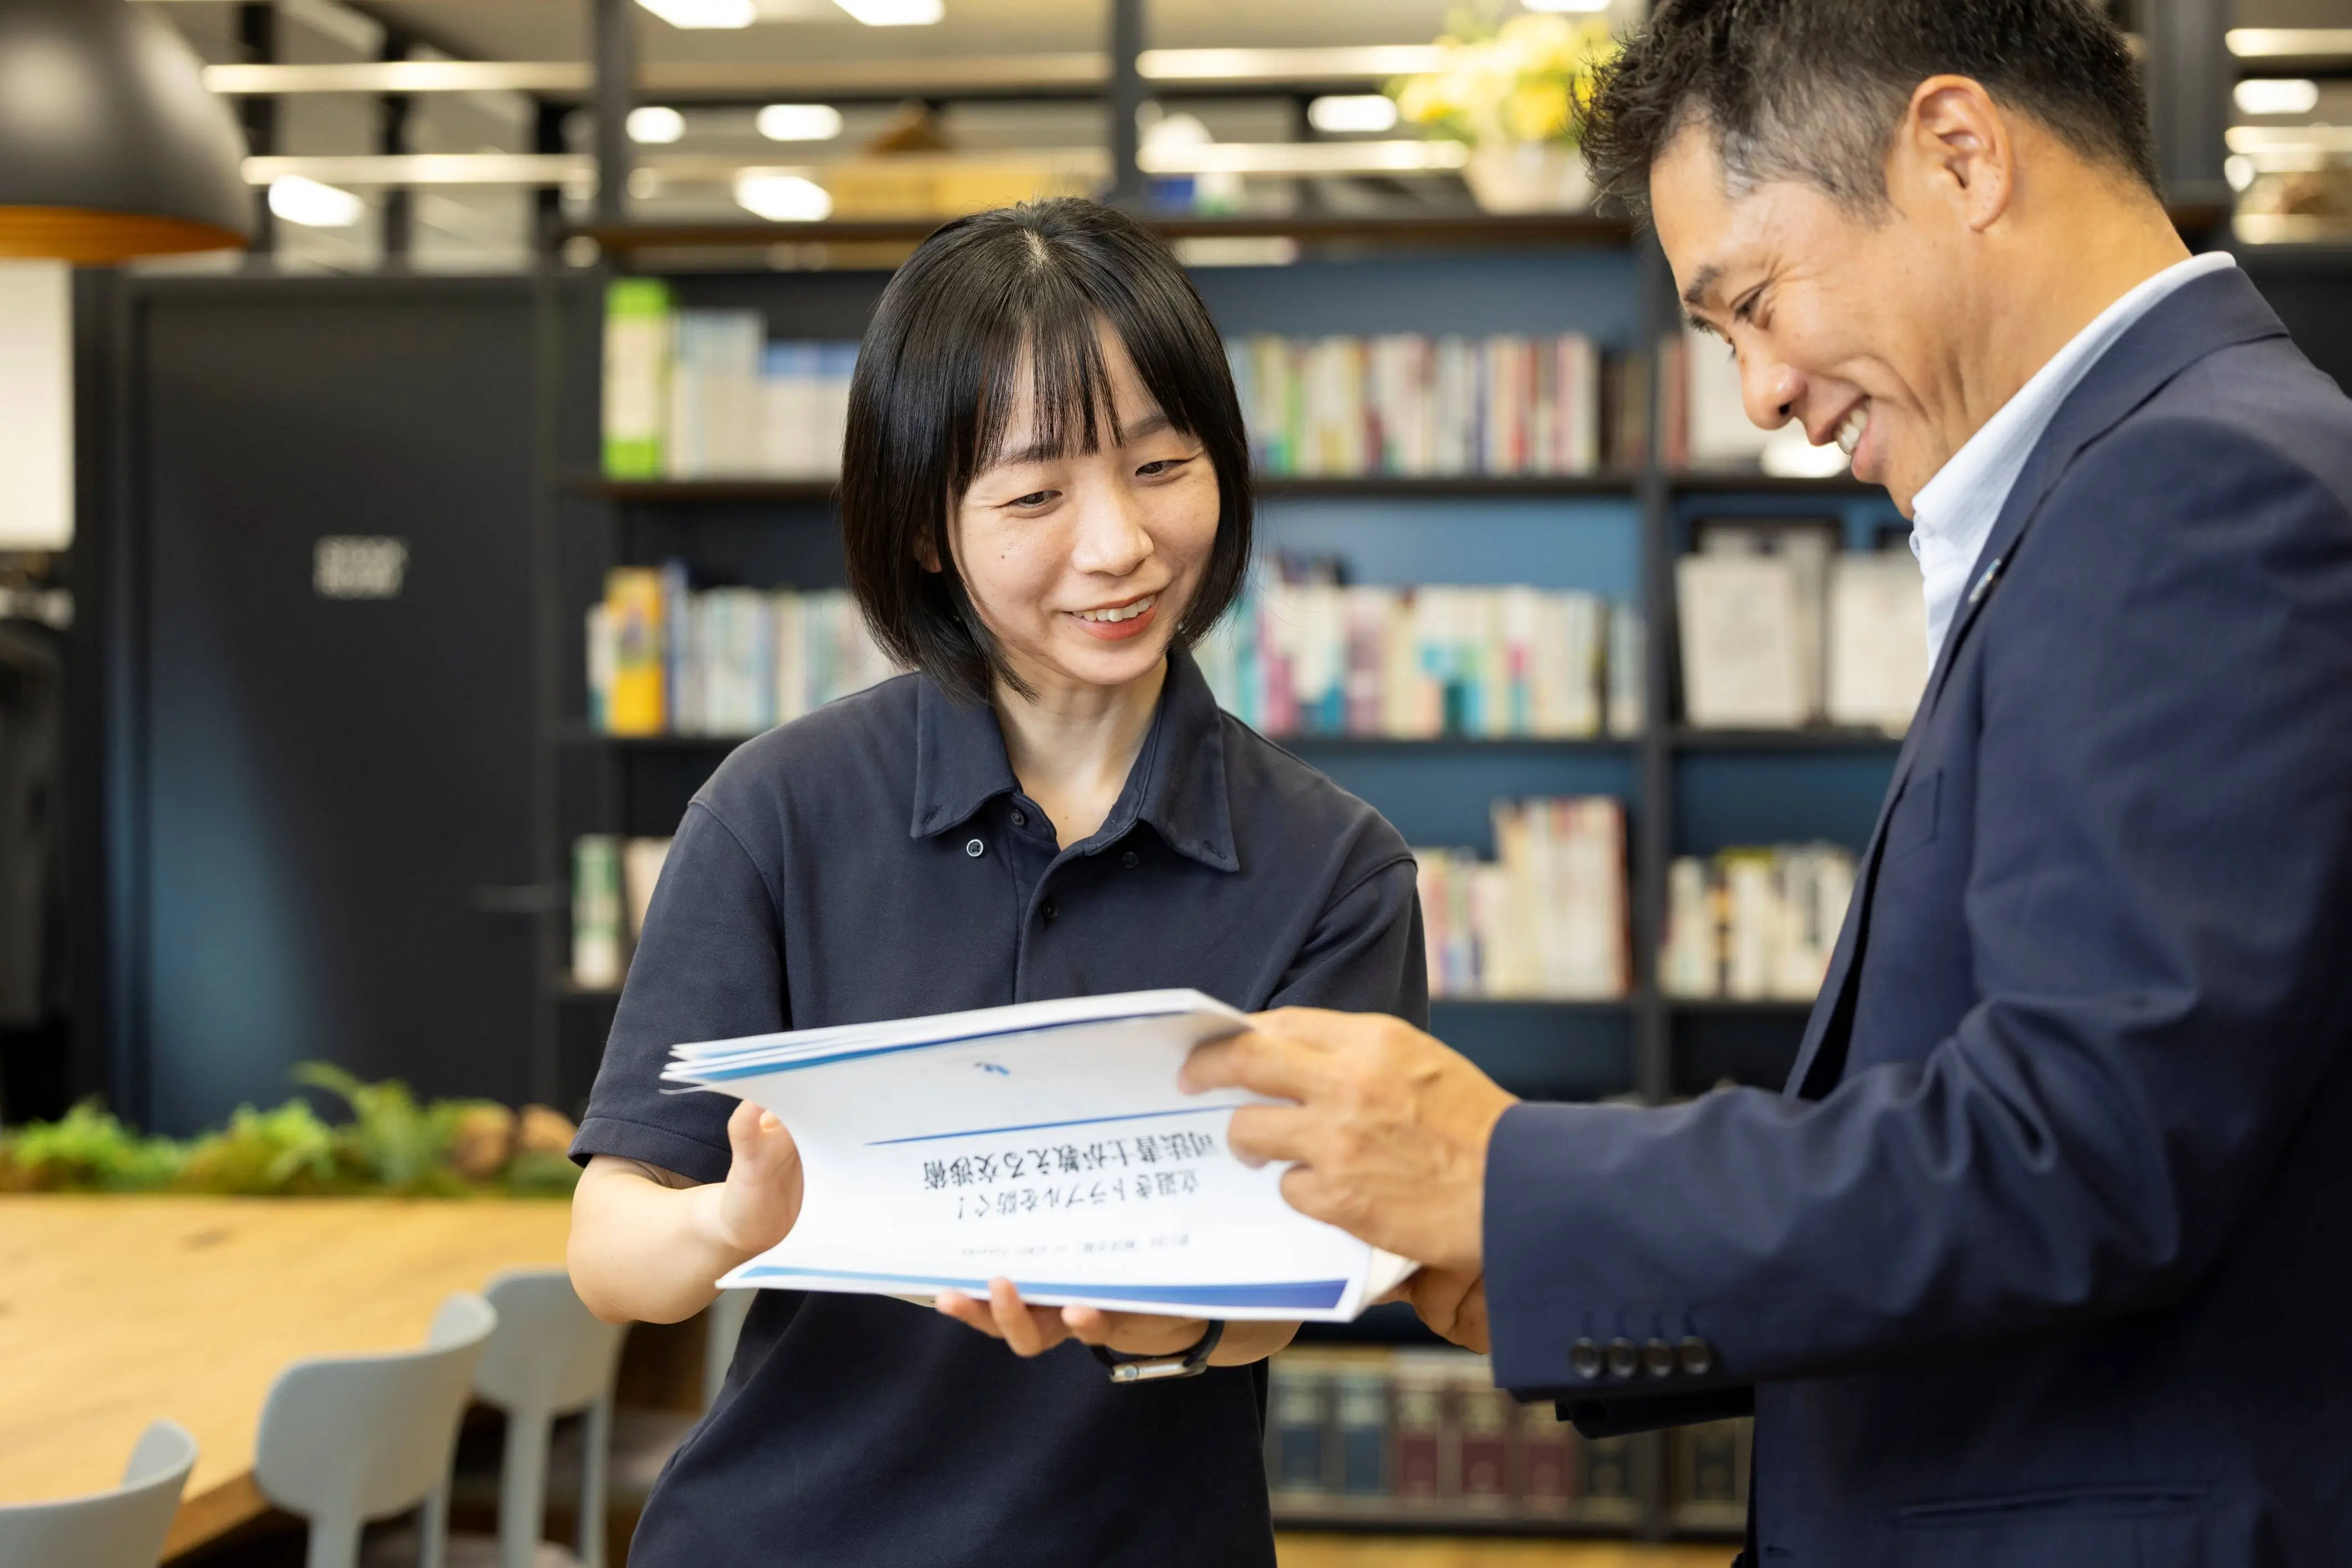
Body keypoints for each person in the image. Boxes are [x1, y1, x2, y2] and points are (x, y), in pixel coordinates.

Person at [1183, 1, 2352, 1562]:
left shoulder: (2192, 488)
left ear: (1956, 153)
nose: (1759, 394)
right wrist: (1499, 1248)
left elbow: (2082, 1147)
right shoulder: (2142, 475)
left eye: (1748, 301)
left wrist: (1512, 1182)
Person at [562, 198, 1424, 1567]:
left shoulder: (1334, 869)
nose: (1119, 545)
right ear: (927, 532)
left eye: (1162, 464)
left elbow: (1305, 1276)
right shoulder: (777, 812)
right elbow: (612, 1252)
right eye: (1035, 495)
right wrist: (738, 1218)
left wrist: (1165, 1322)